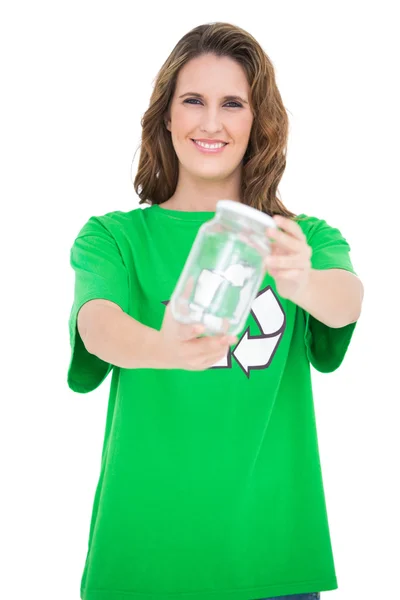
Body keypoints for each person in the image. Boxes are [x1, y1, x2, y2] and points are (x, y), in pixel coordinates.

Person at [67, 22, 363, 600]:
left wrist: (298, 278)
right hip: (142, 556)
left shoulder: (301, 238)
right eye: (193, 101)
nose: (210, 122)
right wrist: (161, 347)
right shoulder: (115, 237)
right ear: (167, 117)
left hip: (274, 552)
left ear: (258, 122)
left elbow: (347, 300)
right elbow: (95, 324)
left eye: (233, 103)